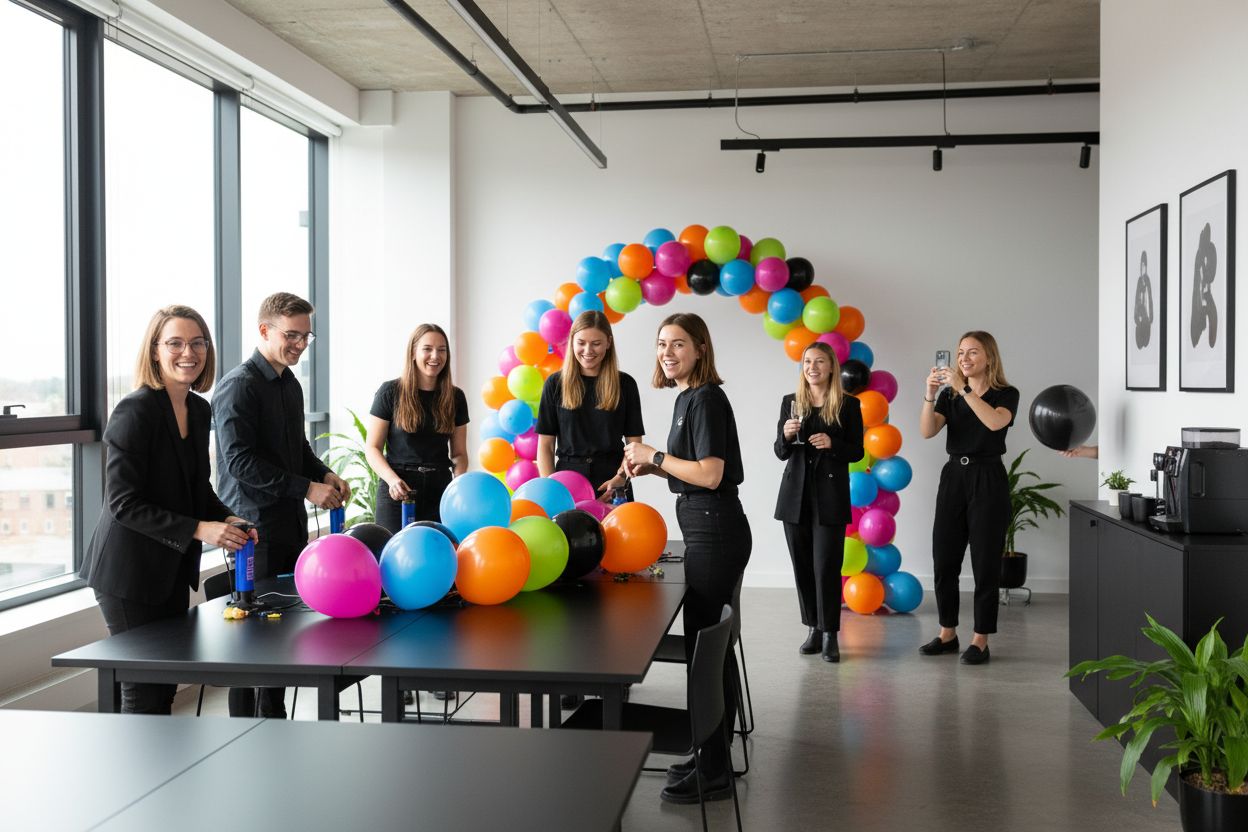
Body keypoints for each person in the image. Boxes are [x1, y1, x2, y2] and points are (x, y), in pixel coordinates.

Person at [81, 305, 255, 714]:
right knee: (144, 690)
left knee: (165, 685)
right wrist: (200, 529)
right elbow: (123, 503)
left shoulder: (198, 409)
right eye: (175, 343)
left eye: (197, 343)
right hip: (128, 574)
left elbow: (198, 489)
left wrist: (227, 518)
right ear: (155, 350)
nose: (188, 353)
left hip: (170, 568)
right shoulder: (135, 410)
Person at [624, 312, 751, 805]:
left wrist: (654, 456)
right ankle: (709, 753)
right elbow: (690, 471)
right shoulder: (686, 399)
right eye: (661, 344)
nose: (667, 352)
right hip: (705, 525)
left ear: (700, 347)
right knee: (708, 650)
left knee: (705, 653)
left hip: (715, 529)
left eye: (678, 344)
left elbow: (712, 474)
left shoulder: (707, 398)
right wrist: (649, 466)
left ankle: (715, 770)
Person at [214, 292, 350, 717]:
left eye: (307, 337)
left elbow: (298, 448)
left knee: (281, 635)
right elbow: (240, 464)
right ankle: (248, 731)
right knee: (253, 646)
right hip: (252, 529)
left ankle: (275, 726)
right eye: (292, 335)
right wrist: (306, 489)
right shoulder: (238, 387)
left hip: (288, 522)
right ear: (264, 331)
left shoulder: (289, 383)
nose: (300, 345)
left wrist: (322, 473)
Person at [918, 330, 1019, 666]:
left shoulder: (1006, 394)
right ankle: (947, 633)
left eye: (972, 352)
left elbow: (993, 424)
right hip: (953, 478)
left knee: (985, 562)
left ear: (989, 356)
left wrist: (962, 388)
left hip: (987, 477)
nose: (964, 359)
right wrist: (931, 394)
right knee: (944, 558)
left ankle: (980, 639)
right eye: (961, 353)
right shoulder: (949, 396)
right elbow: (927, 431)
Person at [774, 342, 864, 663]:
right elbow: (780, 452)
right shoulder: (790, 402)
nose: (812, 367)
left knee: (826, 566)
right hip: (794, 497)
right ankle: (812, 628)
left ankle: (830, 634)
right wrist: (785, 435)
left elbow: (857, 451)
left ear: (830, 368)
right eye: (807, 361)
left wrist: (832, 443)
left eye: (819, 362)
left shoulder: (848, 405)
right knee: (803, 568)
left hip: (829, 496)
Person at [365, 323, 469, 534]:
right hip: (398, 489)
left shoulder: (456, 397)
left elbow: (458, 454)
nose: (435, 356)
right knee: (392, 555)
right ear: (413, 352)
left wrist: (458, 484)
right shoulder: (390, 392)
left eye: (442, 350)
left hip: (440, 490)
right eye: (427, 349)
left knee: (438, 554)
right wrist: (393, 481)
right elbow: (372, 448)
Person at [536, 310, 644, 500]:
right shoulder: (555, 384)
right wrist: (553, 491)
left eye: (596, 344)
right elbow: (545, 445)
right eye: (581, 343)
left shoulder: (626, 384)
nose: (588, 351)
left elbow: (634, 446)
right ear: (571, 342)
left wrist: (620, 478)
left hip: (613, 482)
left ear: (608, 343)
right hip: (567, 484)